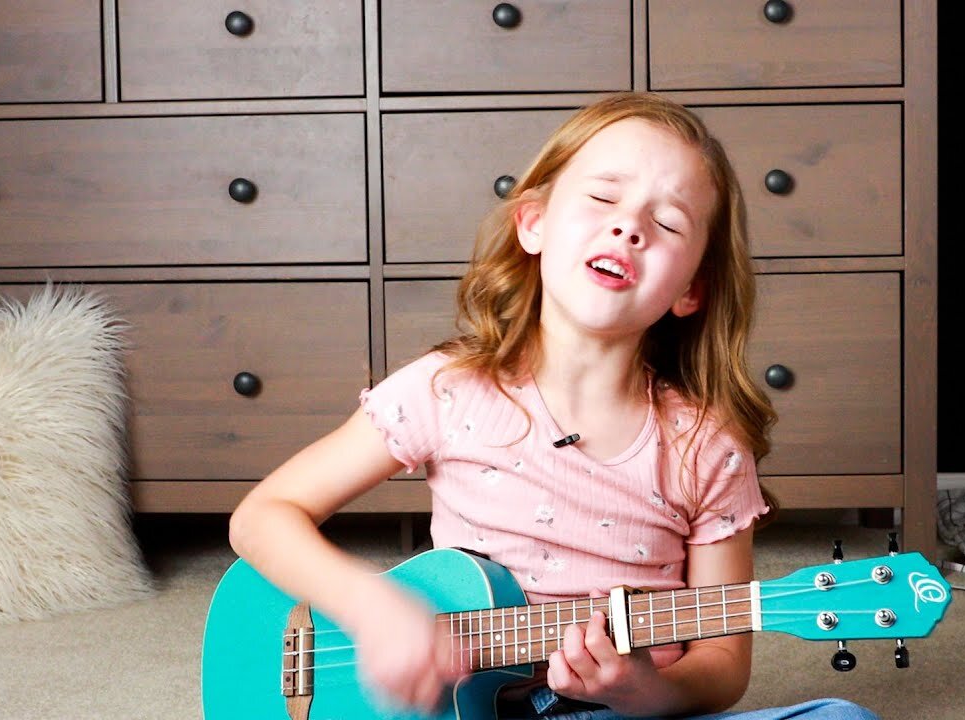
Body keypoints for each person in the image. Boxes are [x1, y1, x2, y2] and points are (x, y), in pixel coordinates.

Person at [228, 92, 878, 720]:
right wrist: (372, 608)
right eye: (602, 197)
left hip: (615, 716)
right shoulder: (447, 391)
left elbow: (723, 662)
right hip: (460, 708)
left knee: (842, 717)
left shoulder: (705, 448)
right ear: (534, 223)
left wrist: (640, 690)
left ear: (690, 290)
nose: (629, 226)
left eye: (669, 221)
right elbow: (262, 517)